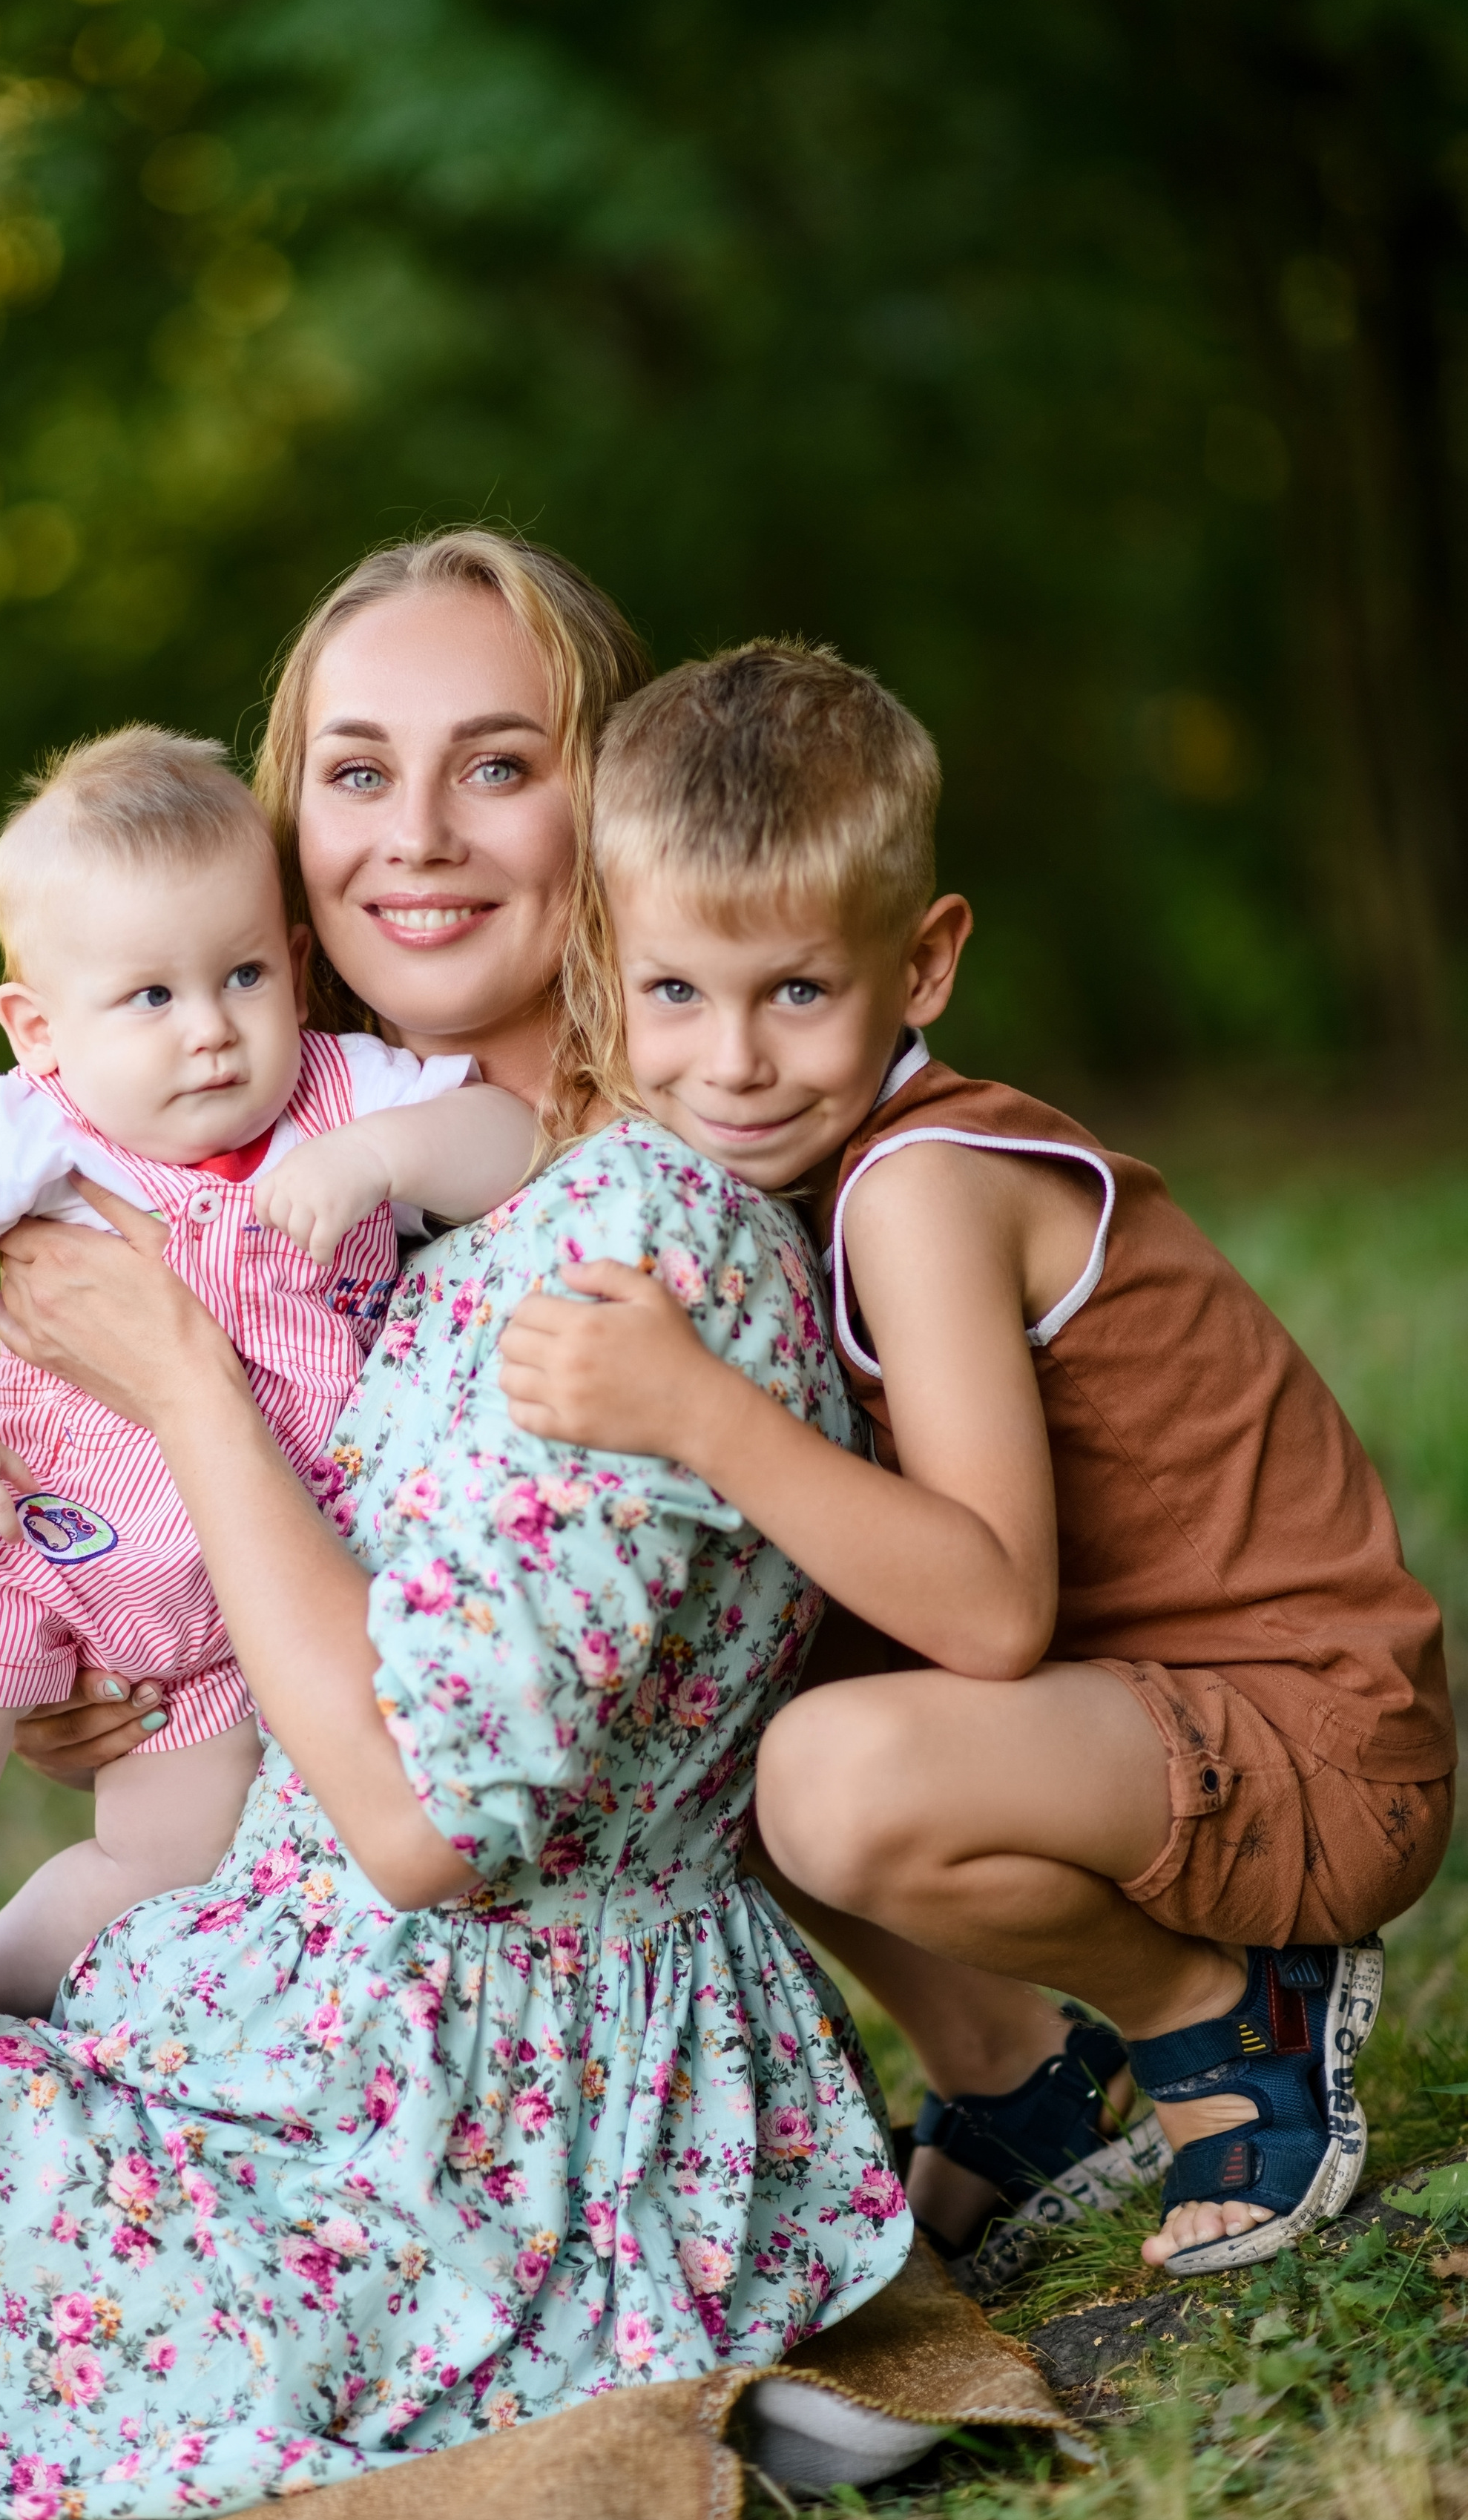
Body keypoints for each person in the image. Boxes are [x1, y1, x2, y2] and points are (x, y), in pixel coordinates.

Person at [0, 537, 923, 2520]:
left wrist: (183, 1387)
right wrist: (97, 1632)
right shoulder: (394, 1210)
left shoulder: (634, 1239)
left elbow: (424, 1822)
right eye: (358, 774)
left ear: (616, 810)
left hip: (412, 2160)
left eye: (499, 764)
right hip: (221, 2002)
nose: (419, 838)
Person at [493, 642, 1454, 2283]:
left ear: (921, 964)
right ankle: (1014, 2078)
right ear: (607, 963)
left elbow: (993, 1610)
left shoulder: (916, 1187)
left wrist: (695, 1411)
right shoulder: (782, 1177)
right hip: (1132, 1734)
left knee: (822, 1778)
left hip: (1305, 1745)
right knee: (675, 1705)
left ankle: (1227, 2013)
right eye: (674, 992)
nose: (729, 1061)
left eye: (794, 991)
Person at [0, 725, 536, 2032]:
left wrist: (387, 1158)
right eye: (151, 998)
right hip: (37, 1523)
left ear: (295, 966)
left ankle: (18, 1973)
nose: (210, 1031)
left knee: (172, 1860)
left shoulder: (342, 1092)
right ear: (39, 1027)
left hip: (262, 1580)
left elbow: (512, 1136)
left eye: (244, 974)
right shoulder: (25, 1126)